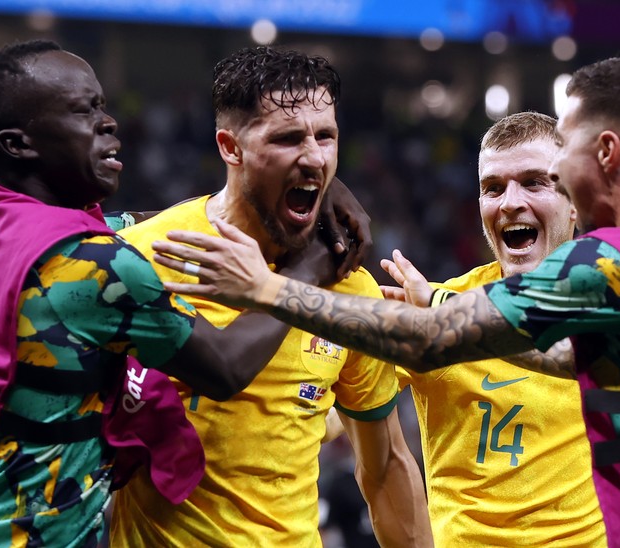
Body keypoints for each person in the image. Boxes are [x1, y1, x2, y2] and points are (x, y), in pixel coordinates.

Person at [153, 55, 620, 546]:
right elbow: (569, 355)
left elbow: (430, 342)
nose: (532, 190)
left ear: (607, 153)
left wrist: (268, 288)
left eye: (557, 161)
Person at [0, 39, 371, 547]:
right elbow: (223, 368)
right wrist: (310, 266)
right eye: (83, 111)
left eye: (102, 106)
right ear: (18, 144)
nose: (108, 124)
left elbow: (127, 228)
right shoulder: (95, 268)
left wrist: (309, 174)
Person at [109, 46, 431, 547]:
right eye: (287, 138)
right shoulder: (143, 257)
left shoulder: (351, 285)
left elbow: (386, 463)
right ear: (230, 147)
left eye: (326, 136)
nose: (315, 157)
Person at [375, 112, 605, 545]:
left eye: (534, 182)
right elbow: (332, 408)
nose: (509, 202)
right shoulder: (427, 311)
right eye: (492, 188)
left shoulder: (616, 302)